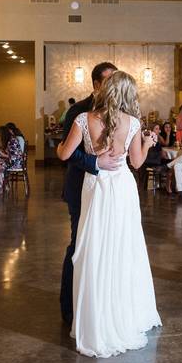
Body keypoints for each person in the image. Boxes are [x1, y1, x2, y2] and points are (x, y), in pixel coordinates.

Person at [56, 70, 161, 357]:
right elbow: (137, 163)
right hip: (123, 188)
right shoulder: (134, 122)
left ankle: (95, 317)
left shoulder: (83, 119)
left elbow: (64, 155)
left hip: (97, 187)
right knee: (123, 248)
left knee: (95, 248)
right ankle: (123, 312)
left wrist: (57, 147)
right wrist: (149, 142)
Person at [59, 61, 120, 325]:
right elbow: (65, 151)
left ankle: (99, 305)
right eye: (109, 81)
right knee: (79, 245)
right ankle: (69, 307)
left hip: (110, 192)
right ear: (96, 84)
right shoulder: (78, 111)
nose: (114, 86)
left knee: (105, 248)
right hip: (81, 187)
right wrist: (96, 163)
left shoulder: (120, 111)